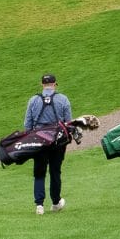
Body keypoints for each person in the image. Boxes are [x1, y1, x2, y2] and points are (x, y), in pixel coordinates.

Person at [24, 73, 73, 215]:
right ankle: (56, 202)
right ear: (55, 84)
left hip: (39, 140)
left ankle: (39, 205)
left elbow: (27, 124)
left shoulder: (33, 100)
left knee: (39, 172)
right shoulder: (63, 99)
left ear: (42, 85)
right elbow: (68, 123)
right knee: (55, 171)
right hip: (57, 141)